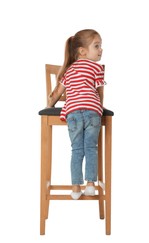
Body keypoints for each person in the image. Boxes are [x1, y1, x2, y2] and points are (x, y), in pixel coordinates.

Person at [48, 29, 105, 200]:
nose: (101, 50)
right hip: (92, 113)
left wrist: (48, 107)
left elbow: (57, 92)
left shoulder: (68, 70)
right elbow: (100, 94)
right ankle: (89, 185)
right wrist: (100, 108)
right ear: (83, 51)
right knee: (91, 148)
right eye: (97, 46)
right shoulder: (97, 68)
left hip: (72, 113)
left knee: (77, 149)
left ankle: (75, 187)